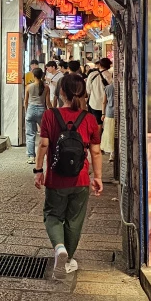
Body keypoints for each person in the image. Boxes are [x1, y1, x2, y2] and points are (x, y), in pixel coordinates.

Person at [34, 73, 102, 279]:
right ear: (82, 92)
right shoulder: (89, 119)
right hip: (80, 180)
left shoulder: (49, 115)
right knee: (75, 220)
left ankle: (59, 247)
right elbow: (96, 151)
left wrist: (38, 171)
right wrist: (97, 177)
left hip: (56, 178)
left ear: (60, 91)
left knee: (53, 215)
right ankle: (69, 259)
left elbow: (44, 144)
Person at [24, 68, 48, 164]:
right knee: (45, 134)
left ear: (34, 76)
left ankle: (31, 157)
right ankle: (46, 154)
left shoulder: (29, 87)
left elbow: (25, 101)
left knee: (30, 134)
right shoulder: (46, 87)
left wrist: (27, 111)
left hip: (31, 109)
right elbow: (48, 103)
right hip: (42, 110)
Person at [86, 57, 112, 125]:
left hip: (93, 103)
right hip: (107, 105)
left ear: (100, 65)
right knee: (104, 124)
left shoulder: (92, 74)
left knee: (96, 123)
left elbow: (88, 90)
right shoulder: (110, 76)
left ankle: (97, 135)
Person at [101, 81, 115, 159]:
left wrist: (103, 114)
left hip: (109, 113)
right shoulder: (121, 87)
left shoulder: (107, 88)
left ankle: (112, 154)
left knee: (110, 134)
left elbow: (104, 102)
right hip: (119, 113)